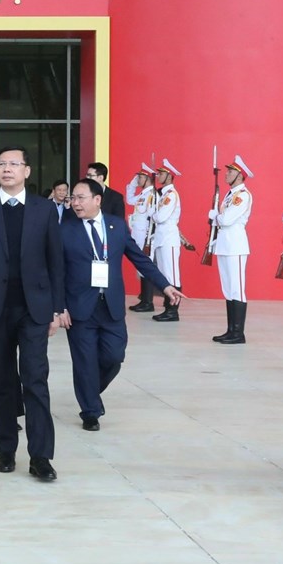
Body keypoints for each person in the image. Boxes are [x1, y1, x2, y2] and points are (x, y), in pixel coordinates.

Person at [0, 146, 63, 482]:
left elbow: (56, 260)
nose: (7, 169)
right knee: (1, 382)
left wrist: (57, 308)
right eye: (2, 164)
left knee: (35, 380)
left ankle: (41, 457)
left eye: (14, 164)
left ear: (26, 171)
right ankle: (6, 450)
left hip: (34, 308)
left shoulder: (44, 209)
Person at [59, 179, 185, 430]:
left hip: (111, 305)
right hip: (79, 307)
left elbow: (140, 258)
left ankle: (89, 390)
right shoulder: (64, 230)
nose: (75, 203)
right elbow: (56, 271)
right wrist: (59, 306)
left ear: (97, 200)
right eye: (73, 198)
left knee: (114, 356)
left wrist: (165, 285)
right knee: (84, 361)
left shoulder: (116, 226)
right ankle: (90, 411)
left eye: (81, 198)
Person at [208, 155, 253, 344]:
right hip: (224, 244)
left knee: (237, 289)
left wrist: (215, 217)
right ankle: (231, 330)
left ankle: (238, 333)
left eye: (230, 172)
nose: (226, 174)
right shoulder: (230, 195)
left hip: (235, 245)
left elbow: (226, 219)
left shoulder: (242, 195)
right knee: (228, 289)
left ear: (240, 175)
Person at [150, 159, 183, 322]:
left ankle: (173, 311)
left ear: (169, 176)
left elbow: (160, 217)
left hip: (169, 238)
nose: (158, 176)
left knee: (172, 276)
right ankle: (167, 308)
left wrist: (153, 214)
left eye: (161, 174)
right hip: (161, 238)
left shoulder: (171, 195)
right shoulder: (164, 195)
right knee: (165, 275)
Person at [126, 163, 158, 312]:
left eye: (140, 177)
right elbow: (129, 199)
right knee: (140, 267)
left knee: (145, 265)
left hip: (145, 235)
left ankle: (148, 301)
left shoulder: (152, 195)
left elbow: (152, 217)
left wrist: (149, 237)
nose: (138, 179)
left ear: (147, 178)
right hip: (137, 234)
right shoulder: (143, 195)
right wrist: (133, 183)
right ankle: (144, 299)